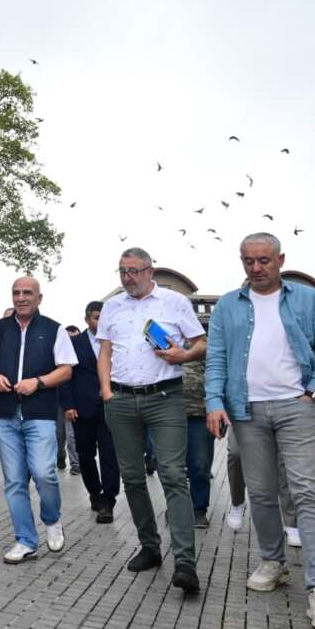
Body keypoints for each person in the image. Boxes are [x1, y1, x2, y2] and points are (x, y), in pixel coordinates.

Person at [206, 233, 315, 629]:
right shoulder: (228, 306)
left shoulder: (308, 300)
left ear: (280, 260)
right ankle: (273, 562)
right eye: (248, 261)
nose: (256, 268)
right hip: (246, 410)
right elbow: (216, 358)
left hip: (297, 406)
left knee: (307, 493)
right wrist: (214, 401)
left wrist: (314, 392)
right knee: (262, 493)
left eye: (264, 260)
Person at [97, 246, 206, 594]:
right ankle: (150, 547)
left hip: (165, 398)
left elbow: (201, 343)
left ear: (150, 271)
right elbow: (105, 352)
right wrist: (106, 393)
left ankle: (185, 563)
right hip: (121, 400)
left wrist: (182, 355)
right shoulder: (112, 306)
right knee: (131, 477)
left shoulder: (175, 302)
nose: (127, 278)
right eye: (122, 271)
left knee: (173, 475)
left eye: (134, 271)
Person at [0, 277, 75, 563]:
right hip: (5, 414)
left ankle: (52, 518)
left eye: (27, 293)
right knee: (14, 481)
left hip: (40, 414)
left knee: (44, 473)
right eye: (16, 293)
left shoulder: (54, 329)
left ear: (39, 298)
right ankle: (25, 541)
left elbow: (66, 370)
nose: (21, 298)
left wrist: (38, 382)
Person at [60, 300, 120, 524]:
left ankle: (109, 500)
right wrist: (68, 405)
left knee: (110, 455)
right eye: (96, 318)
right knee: (85, 455)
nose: (101, 322)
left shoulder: (116, 341)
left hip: (110, 407)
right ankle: (94, 492)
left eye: (104, 317)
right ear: (87, 319)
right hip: (81, 409)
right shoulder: (74, 344)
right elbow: (66, 374)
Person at [225, 432, 299, 545]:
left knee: (283, 459)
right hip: (241, 421)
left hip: (278, 421)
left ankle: (291, 522)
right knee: (236, 453)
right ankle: (237, 502)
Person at [182, 355, 213, 529]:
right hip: (166, 412)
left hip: (200, 413)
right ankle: (177, 507)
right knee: (171, 468)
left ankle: (198, 509)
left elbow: (217, 372)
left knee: (201, 463)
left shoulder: (205, 344)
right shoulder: (161, 341)